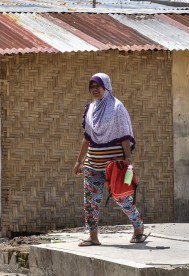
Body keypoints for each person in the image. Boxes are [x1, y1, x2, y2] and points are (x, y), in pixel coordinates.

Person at [73, 73, 148, 246]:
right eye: (91, 86)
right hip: (93, 164)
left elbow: (124, 135)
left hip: (114, 166)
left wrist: (128, 158)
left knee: (122, 198)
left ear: (106, 87)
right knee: (90, 201)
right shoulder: (90, 109)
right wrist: (79, 161)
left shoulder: (117, 108)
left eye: (97, 86)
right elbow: (87, 138)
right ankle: (93, 237)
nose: (94, 89)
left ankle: (138, 227)